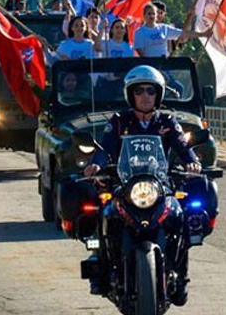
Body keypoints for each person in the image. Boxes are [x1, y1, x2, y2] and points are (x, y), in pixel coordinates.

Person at [83, 65, 202, 303]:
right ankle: (101, 267)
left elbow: (182, 145)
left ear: (158, 94)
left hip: (160, 186)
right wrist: (95, 164)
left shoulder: (167, 121)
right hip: (125, 185)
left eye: (150, 91)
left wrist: (192, 163)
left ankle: (181, 278)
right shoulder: (119, 121)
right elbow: (105, 147)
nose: (145, 96)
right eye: (140, 91)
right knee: (104, 214)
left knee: (182, 218)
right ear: (131, 94)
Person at [133, 2, 211, 58]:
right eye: (149, 14)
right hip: (150, 67)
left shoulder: (164, 28)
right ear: (144, 16)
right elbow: (140, 52)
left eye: (153, 13)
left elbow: (184, 34)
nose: (151, 16)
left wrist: (203, 34)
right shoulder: (139, 32)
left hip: (165, 65)